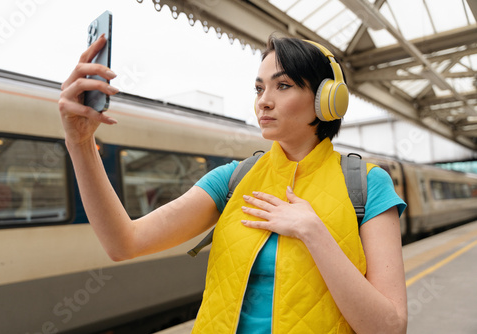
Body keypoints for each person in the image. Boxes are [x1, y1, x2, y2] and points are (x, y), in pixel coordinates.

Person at [59, 34, 408, 334]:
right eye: (259, 88)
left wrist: (313, 232)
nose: (263, 100)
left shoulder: (366, 184)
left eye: (283, 85)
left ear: (326, 99)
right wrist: (80, 143)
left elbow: (389, 327)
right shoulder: (232, 179)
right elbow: (125, 243)